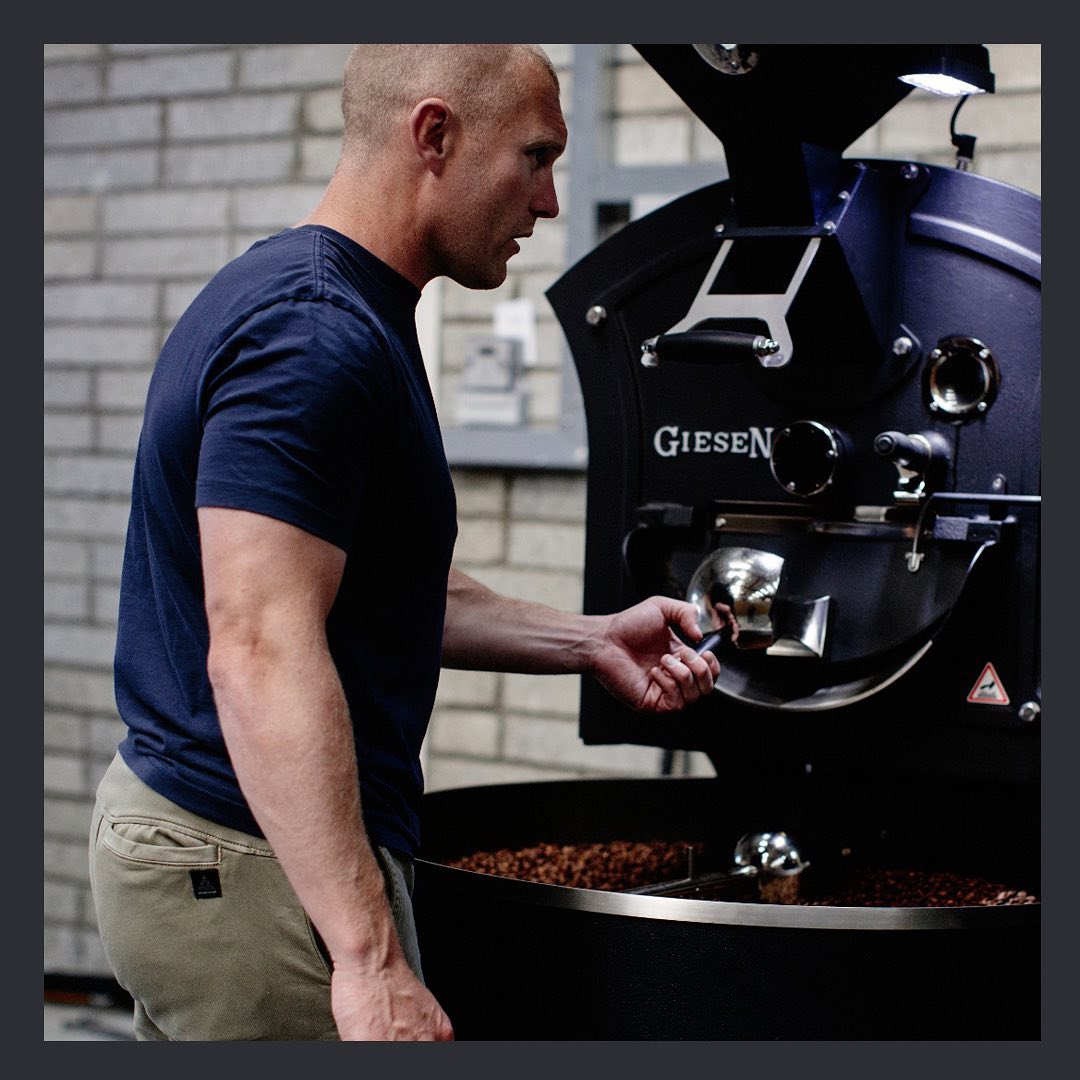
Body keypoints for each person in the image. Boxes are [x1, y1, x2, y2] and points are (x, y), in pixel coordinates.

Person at [88, 43, 722, 1042]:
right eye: (535, 157)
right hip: (247, 857)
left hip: (243, 847)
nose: (549, 201)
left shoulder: (330, 306)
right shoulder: (314, 336)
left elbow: (380, 585)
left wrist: (592, 640)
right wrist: (369, 958)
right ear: (434, 135)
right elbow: (259, 646)